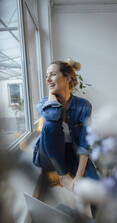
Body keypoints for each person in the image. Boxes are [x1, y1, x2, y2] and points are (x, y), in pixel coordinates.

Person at [34, 59, 100, 192]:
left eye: (52, 74)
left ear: (67, 78)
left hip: (72, 153)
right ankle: (62, 175)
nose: (47, 80)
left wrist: (79, 176)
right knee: (50, 124)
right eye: (46, 76)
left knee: (97, 187)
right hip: (47, 155)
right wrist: (52, 96)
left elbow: (84, 142)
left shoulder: (83, 105)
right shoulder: (43, 104)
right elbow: (52, 117)